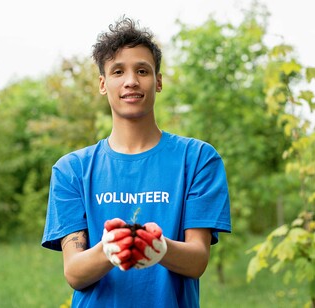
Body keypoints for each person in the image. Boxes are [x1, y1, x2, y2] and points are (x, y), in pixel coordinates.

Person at [42, 17, 231, 308]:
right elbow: (75, 273)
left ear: (158, 81)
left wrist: (159, 247)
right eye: (118, 71)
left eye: (142, 70)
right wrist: (110, 248)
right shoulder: (72, 170)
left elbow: (197, 261)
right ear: (103, 84)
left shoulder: (197, 159)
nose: (131, 80)